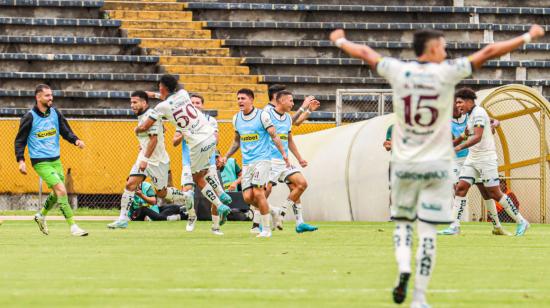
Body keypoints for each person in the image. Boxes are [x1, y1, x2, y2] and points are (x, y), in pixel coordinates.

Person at [330, 23, 544, 307]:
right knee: (429, 232)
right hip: (436, 164)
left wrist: (341, 41)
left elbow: (367, 53)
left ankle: (403, 267)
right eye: (442, 47)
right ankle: (419, 296)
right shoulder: (447, 73)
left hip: (405, 163)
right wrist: (529, 35)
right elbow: (490, 51)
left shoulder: (398, 71)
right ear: (431, 48)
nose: (445, 52)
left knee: (404, 227)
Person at [138, 75, 232, 226]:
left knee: (197, 178)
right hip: (209, 136)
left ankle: (220, 205)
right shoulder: (184, 94)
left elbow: (146, 126)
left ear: (162, 87)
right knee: (206, 170)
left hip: (197, 143)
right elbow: (170, 99)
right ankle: (221, 193)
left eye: (159, 87)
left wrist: (138, 129)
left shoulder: (161, 107)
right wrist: (155, 95)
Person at [440, 87, 530, 236]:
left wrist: (460, 147)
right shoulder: (470, 116)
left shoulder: (479, 113)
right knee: (460, 188)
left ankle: (521, 221)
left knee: (494, 193)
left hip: (486, 159)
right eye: (456, 103)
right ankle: (454, 226)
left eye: (460, 102)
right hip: (472, 159)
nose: (457, 106)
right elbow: (465, 135)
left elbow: (477, 137)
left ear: (469, 101)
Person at [108, 91, 193, 229]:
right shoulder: (145, 115)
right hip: (144, 156)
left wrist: (145, 158)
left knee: (162, 193)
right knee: (130, 184)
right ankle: (123, 218)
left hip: (157, 161)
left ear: (144, 103)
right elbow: (153, 135)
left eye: (135, 102)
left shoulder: (150, 116)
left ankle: (186, 196)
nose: (132, 105)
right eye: (131, 102)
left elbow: (153, 139)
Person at [14, 84, 88, 236]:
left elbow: (66, 131)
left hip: (56, 160)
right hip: (40, 162)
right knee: (61, 189)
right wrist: (21, 161)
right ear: (38, 97)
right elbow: (19, 141)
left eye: (51, 95)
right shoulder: (29, 117)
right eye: (47, 95)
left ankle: (41, 215)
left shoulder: (55, 113)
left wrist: (76, 140)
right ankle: (73, 226)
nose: (51, 98)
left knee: (56, 193)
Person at [222, 88, 289, 238]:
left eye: (243, 98)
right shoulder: (236, 119)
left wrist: (283, 153)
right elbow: (236, 142)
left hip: (263, 160)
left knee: (259, 193)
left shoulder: (262, 116)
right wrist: (226, 156)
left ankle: (266, 230)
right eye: (238, 98)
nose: (240, 101)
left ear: (251, 100)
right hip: (247, 164)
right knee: (247, 197)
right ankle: (273, 211)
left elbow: (274, 135)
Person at [173, 93, 231, 235]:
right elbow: (174, 142)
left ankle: (215, 227)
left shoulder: (210, 120)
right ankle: (192, 216)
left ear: (202, 105)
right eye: (192, 102)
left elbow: (216, 140)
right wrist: (184, 133)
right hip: (189, 162)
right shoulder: (183, 121)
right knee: (187, 193)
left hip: (208, 162)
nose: (195, 104)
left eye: (198, 102)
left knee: (216, 195)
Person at [265, 90, 318, 233]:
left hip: (284, 162)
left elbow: (293, 130)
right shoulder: (266, 113)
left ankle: (286, 215)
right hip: (269, 161)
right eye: (290, 100)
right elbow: (295, 121)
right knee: (263, 192)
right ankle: (259, 223)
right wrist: (303, 107)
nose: (292, 103)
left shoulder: (286, 117)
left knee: (300, 184)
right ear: (278, 99)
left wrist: (300, 158)